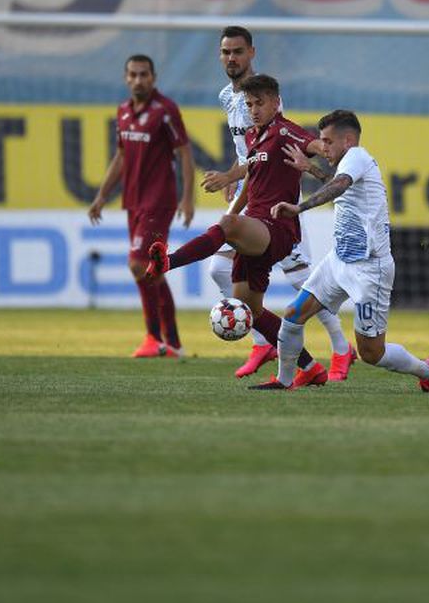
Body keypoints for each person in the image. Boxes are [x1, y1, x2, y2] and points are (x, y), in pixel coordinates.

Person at [145, 74, 330, 387]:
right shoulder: (254, 138)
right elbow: (251, 184)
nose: (253, 110)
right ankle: (310, 368)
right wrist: (230, 214)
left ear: (276, 102)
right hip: (255, 228)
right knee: (252, 311)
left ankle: (168, 262)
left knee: (229, 227)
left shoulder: (286, 131)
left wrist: (313, 162)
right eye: (249, 104)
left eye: (260, 103)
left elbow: (322, 148)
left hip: (277, 227)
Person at [201, 26, 354, 380]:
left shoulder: (266, 98)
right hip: (251, 191)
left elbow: (270, 149)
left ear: (251, 53)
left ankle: (342, 348)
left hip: (276, 200)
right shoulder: (227, 96)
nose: (231, 58)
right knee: (219, 269)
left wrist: (230, 175)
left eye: (238, 51)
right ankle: (263, 342)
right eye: (225, 52)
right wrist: (235, 177)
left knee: (302, 280)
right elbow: (248, 150)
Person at [263, 110, 429, 392]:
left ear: (347, 140)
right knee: (294, 313)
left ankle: (427, 369)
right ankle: (284, 381)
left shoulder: (357, 156)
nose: (322, 147)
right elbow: (339, 185)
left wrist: (299, 207)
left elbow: (339, 185)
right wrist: (310, 169)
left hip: (370, 269)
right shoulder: (350, 164)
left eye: (327, 141)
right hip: (339, 260)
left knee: (372, 353)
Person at [88, 54, 195, 358]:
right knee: (152, 271)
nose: (138, 80)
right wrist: (102, 195)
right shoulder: (123, 111)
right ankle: (172, 343)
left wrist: (188, 197)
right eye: (133, 74)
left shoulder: (165, 110)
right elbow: (121, 156)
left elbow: (185, 153)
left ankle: (153, 337)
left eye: (144, 74)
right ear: (126, 78)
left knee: (137, 264)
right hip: (133, 200)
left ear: (153, 77)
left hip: (159, 200)